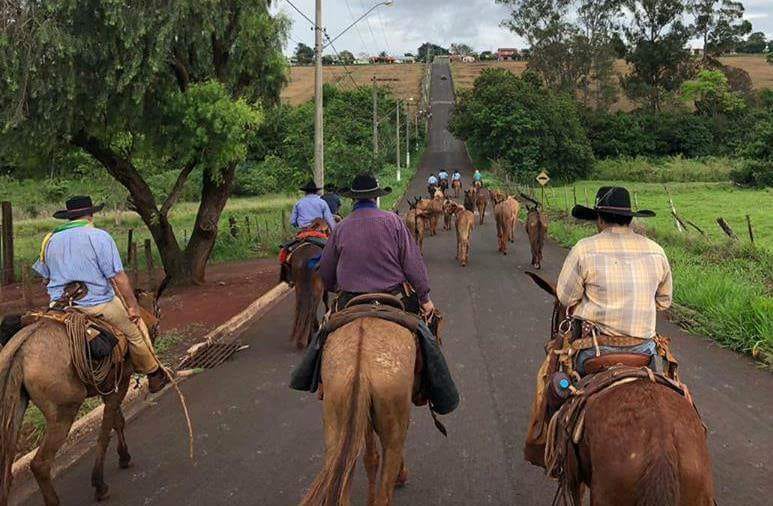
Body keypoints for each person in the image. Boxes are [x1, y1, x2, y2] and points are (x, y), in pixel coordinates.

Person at [32, 196, 169, 392]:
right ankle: (153, 373)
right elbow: (119, 278)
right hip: (96, 303)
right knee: (135, 330)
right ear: (91, 214)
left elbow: (44, 278)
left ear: (69, 217)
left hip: (60, 305)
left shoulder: (50, 240)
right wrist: (132, 307)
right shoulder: (99, 236)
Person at [557, 186, 671, 374]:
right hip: (644, 350)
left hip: (596, 350)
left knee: (557, 386)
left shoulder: (584, 249)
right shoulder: (656, 251)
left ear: (600, 219)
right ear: (630, 218)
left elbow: (566, 299)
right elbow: (663, 301)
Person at [317, 174, 435, 316]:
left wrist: (338, 287)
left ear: (353, 199)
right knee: (425, 332)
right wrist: (424, 298)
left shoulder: (340, 227)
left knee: (323, 334)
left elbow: (325, 270)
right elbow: (413, 262)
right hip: (393, 296)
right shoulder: (394, 221)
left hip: (350, 298)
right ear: (376, 197)